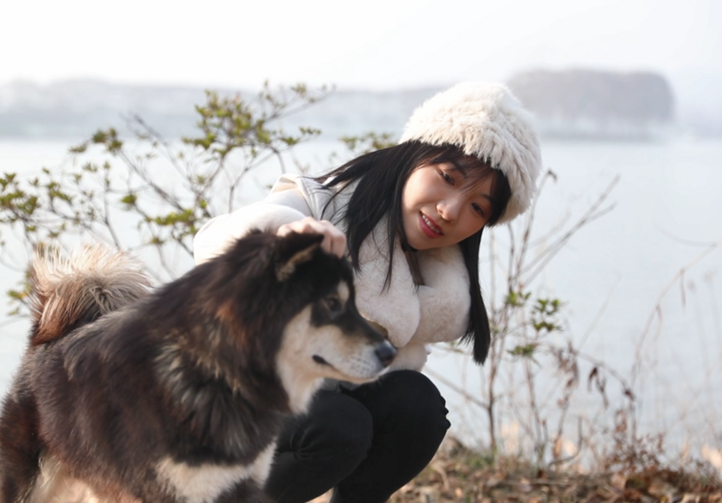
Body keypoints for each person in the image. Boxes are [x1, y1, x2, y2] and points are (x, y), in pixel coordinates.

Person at [193, 82, 542, 503]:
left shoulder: (426, 272)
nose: (450, 210)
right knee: (339, 425)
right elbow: (212, 241)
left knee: (418, 408)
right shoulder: (323, 204)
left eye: (477, 208)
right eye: (448, 177)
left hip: (319, 403)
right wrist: (283, 239)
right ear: (414, 154)